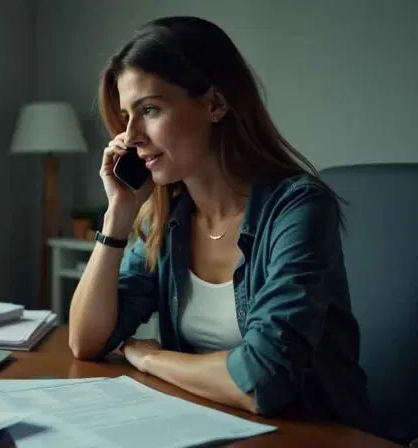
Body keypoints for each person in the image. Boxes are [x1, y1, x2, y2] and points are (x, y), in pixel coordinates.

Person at [68, 16, 371, 431]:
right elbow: (86, 341)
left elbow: (263, 381)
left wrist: (151, 357)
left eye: (150, 109)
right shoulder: (166, 216)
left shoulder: (298, 208)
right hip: (207, 425)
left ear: (215, 104)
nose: (132, 135)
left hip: (311, 433)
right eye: (126, 116)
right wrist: (117, 215)